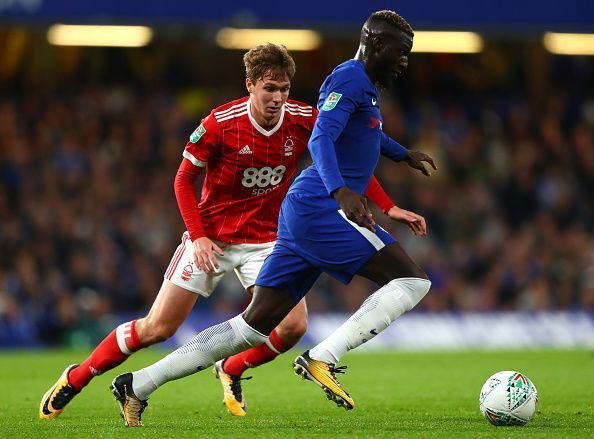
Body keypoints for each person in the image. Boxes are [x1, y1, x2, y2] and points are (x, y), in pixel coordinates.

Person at [39, 42, 406, 421]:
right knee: (156, 328)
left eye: (283, 89)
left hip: (267, 239)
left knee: (293, 326)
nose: (278, 97)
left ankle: (231, 368)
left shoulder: (304, 119)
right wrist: (197, 235)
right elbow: (183, 180)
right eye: (269, 88)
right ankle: (77, 377)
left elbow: (352, 155)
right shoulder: (220, 123)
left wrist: (388, 202)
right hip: (212, 238)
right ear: (250, 85)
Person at [110, 9, 436, 427]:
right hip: (321, 207)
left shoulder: (364, 89)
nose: (405, 60)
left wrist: (401, 154)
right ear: (375, 44)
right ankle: (323, 356)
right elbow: (321, 136)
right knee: (413, 280)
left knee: (251, 328)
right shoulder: (349, 79)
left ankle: (138, 384)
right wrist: (341, 191)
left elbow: (365, 132)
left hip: (305, 210)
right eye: (400, 51)